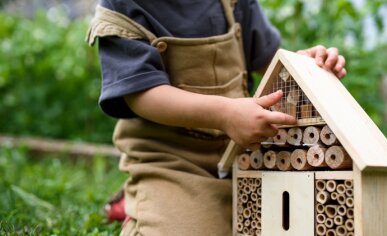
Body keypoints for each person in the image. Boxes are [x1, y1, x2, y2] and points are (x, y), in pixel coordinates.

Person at [86, 0, 347, 235]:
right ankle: (147, 201)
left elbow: (268, 61)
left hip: (247, 154)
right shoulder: (123, 7)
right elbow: (141, 95)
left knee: (300, 221)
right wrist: (225, 114)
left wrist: (305, 66)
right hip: (172, 159)